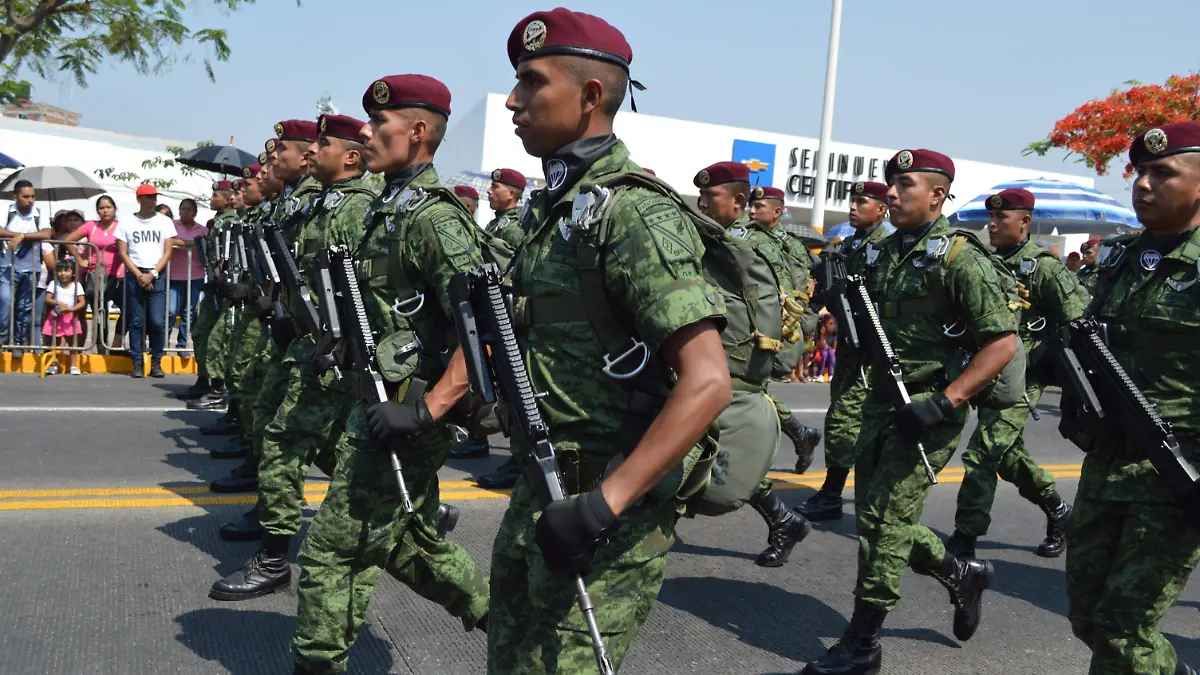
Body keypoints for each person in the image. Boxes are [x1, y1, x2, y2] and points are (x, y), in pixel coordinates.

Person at [486, 11, 729, 671]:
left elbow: (708, 380)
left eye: (532, 83)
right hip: (540, 484)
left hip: (608, 510)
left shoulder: (634, 214)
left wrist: (605, 504)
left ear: (591, 96)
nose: (513, 100)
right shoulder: (553, 208)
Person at [290, 75, 492, 674]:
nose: (369, 134)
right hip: (377, 399)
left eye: (381, 125)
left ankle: (317, 663)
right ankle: (500, 613)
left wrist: (427, 410)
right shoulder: (388, 205)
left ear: (419, 132)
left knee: (332, 550)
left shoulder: (436, 219)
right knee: (405, 541)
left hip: (410, 412)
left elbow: (482, 322)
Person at [802, 150, 1018, 675]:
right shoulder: (882, 252)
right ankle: (959, 572)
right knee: (877, 519)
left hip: (931, 405)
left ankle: (861, 645)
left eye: (904, 185)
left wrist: (947, 401)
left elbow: (1003, 343)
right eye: (890, 186)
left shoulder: (959, 257)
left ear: (937, 195)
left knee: (884, 522)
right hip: (881, 399)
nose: (891, 195)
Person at [1063, 121, 1200, 675]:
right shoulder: (1119, 258)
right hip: (1109, 462)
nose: (1143, 184)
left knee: (1125, 628)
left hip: (1178, 473)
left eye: (1162, 173)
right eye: (1140, 172)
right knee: (1089, 618)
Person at [948, 188, 1085, 561]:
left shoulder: (1044, 267)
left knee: (984, 451)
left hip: (1024, 375)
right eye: (990, 219)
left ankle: (965, 537)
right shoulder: (986, 263)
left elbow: (1080, 322)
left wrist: (1045, 355)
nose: (991, 225)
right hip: (984, 368)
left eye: (1001, 219)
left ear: (1024, 222)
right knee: (1007, 456)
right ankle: (1058, 509)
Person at [694, 160, 812, 568]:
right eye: (702, 196)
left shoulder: (754, 250)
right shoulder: (701, 240)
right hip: (704, 362)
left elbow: (779, 305)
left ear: (738, 202)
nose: (702, 203)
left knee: (708, 455)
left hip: (736, 366)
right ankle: (784, 517)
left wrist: (757, 365)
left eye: (711, 197)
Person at [797, 181, 892, 519]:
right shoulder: (848, 246)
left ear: (881, 210)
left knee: (842, 422)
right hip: (849, 349)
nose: (853, 207)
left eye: (861, 202)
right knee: (849, 419)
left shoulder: (888, 247)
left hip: (871, 350)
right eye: (852, 201)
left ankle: (832, 495)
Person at [449, 167, 526, 461]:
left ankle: (517, 456)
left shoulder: (513, 227)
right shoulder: (497, 225)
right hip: (491, 310)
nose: (490, 192)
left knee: (509, 384)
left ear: (512, 193)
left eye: (496, 187)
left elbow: (516, 273)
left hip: (505, 313)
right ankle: (479, 436)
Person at [747, 184, 823, 472]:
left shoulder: (774, 243)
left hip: (770, 328)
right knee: (750, 391)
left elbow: (808, 287)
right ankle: (800, 435)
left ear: (777, 212)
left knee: (747, 391)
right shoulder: (790, 244)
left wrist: (804, 320)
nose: (751, 210)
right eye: (751, 206)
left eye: (759, 207)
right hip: (774, 327)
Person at [179, 182, 241, 402]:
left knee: (217, 340)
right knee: (200, 333)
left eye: (215, 195)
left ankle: (218, 386)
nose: (211, 198)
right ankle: (204, 379)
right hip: (214, 285)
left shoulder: (232, 222)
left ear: (228, 199)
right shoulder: (216, 223)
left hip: (226, 287)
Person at [114, 183, 183, 378]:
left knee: (157, 321)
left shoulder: (164, 222)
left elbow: (168, 251)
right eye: (148, 197)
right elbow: (123, 252)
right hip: (135, 274)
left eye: (154, 197)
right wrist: (139, 275)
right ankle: (137, 362)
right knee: (136, 321)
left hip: (157, 275)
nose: (152, 201)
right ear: (139, 200)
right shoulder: (127, 222)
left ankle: (156, 362)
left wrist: (152, 274)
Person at [66, 195, 125, 353]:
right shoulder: (91, 225)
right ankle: (101, 348)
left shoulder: (122, 226)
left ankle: (116, 343)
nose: (105, 211)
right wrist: (80, 259)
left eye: (108, 207)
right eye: (101, 208)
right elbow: (68, 240)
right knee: (100, 313)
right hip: (95, 276)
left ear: (114, 209)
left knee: (127, 308)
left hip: (117, 276)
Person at [0, 180, 51, 354]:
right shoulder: (6, 210)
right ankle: (3, 338)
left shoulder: (38, 213)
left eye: (33, 196)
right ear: (16, 197)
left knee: (24, 308)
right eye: (26, 196)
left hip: (31, 268)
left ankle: (18, 342)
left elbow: (46, 233)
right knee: (6, 302)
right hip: (8, 266)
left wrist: (22, 236)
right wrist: (19, 235)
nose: (30, 200)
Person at [168, 198, 207, 356]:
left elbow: (202, 242)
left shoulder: (202, 229)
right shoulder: (171, 225)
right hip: (173, 275)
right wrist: (189, 243)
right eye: (183, 209)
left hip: (195, 276)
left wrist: (181, 243)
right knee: (170, 311)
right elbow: (169, 240)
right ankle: (163, 344)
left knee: (189, 312)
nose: (185, 212)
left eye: (189, 209)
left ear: (195, 212)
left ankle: (182, 345)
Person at [42, 259, 85, 375]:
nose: (63, 273)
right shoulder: (53, 284)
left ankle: (74, 366)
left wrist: (72, 309)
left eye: (66, 270)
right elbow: (48, 298)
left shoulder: (77, 285)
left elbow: (82, 302)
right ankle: (53, 364)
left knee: (73, 343)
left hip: (71, 317)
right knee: (56, 344)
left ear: (73, 272)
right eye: (60, 271)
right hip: (56, 317)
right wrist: (58, 303)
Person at [483, 168, 526, 248]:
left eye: (494, 187)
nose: (489, 190)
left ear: (510, 194)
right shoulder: (493, 224)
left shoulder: (514, 228)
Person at [813, 313, 837, 382]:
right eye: (830, 324)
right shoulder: (819, 333)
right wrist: (822, 335)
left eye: (833, 324)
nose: (833, 326)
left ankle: (831, 375)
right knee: (824, 353)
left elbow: (834, 349)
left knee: (831, 352)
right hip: (819, 355)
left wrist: (829, 348)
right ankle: (820, 374)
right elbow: (820, 345)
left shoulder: (834, 335)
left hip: (830, 356)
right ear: (824, 325)